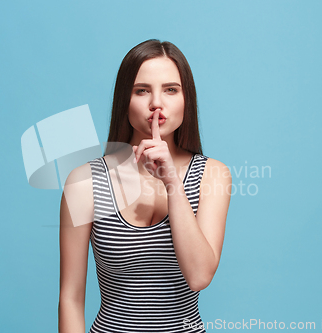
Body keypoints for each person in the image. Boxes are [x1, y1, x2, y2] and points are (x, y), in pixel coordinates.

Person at [58, 39, 232, 333]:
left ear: (186, 99)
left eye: (170, 89)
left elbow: (200, 276)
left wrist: (173, 182)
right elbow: (71, 298)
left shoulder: (213, 175)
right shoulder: (83, 183)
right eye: (142, 90)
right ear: (124, 99)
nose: (156, 103)